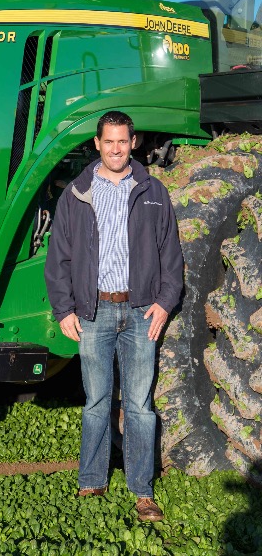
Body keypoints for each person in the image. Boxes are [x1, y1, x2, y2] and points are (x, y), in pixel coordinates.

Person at [44, 111, 183, 522]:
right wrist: (64, 309)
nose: (116, 148)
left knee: (140, 404)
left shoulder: (153, 191)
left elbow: (171, 257)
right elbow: (59, 258)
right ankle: (92, 479)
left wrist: (164, 302)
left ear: (134, 142)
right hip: (95, 311)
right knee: (97, 401)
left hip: (141, 312)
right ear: (97, 144)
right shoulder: (78, 193)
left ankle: (142, 490)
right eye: (109, 142)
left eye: (123, 141)